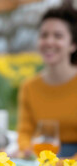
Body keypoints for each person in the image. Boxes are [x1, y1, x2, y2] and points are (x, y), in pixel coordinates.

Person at [17, 6, 77, 158]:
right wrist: (26, 149)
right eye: (44, 35)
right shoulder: (29, 87)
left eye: (58, 36)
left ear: (73, 44)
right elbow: (25, 132)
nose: (49, 41)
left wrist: (66, 165)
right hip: (42, 158)